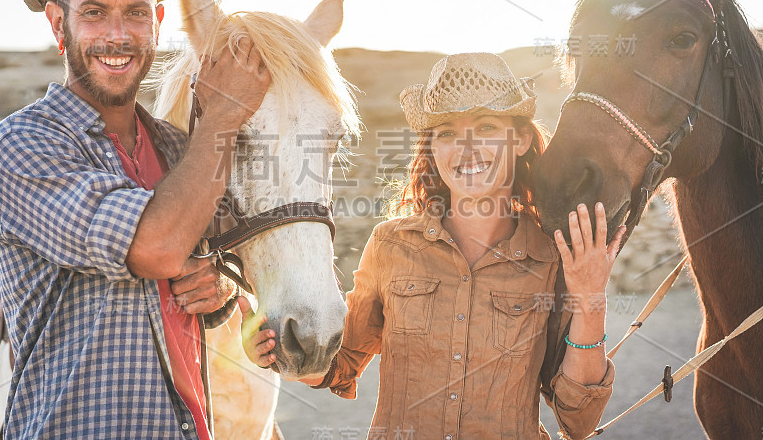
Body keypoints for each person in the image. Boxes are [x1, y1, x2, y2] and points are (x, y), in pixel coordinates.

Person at [0, 0, 271, 439]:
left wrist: (218, 284)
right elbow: (155, 248)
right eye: (93, 12)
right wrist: (225, 114)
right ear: (58, 24)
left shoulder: (181, 150)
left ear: (157, 23)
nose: (118, 34)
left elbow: (218, 264)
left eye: (136, 13)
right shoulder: (22, 143)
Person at [242, 53, 623, 439]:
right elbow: (337, 367)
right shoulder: (390, 245)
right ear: (432, 148)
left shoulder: (552, 258)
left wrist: (591, 297)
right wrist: (272, 349)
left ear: (521, 139)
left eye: (486, 126)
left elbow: (579, 419)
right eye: (446, 133)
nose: (466, 149)